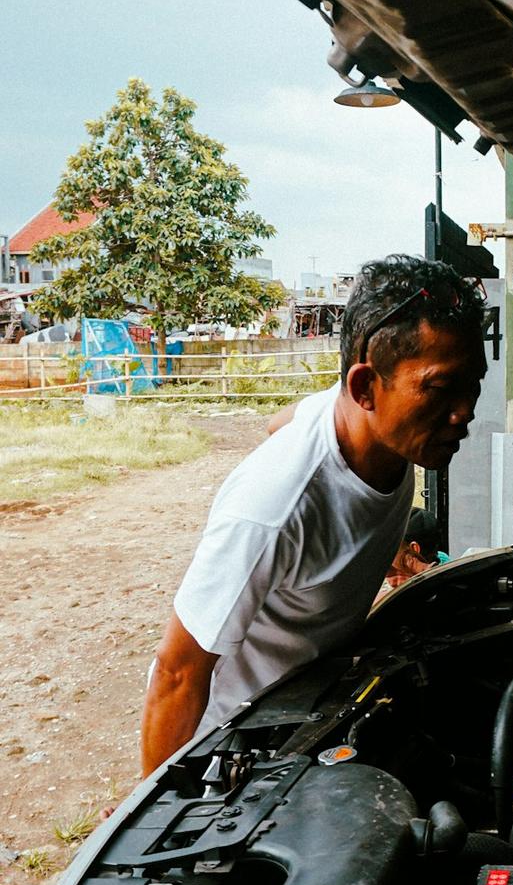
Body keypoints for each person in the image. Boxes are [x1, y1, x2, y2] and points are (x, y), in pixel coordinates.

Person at [140, 256, 485, 774]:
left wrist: (374, 544)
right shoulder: (271, 509)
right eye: (439, 389)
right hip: (233, 747)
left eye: (472, 384)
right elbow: (177, 674)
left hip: (313, 705)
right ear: (365, 388)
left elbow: (282, 421)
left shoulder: (372, 423)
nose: (464, 412)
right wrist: (152, 804)